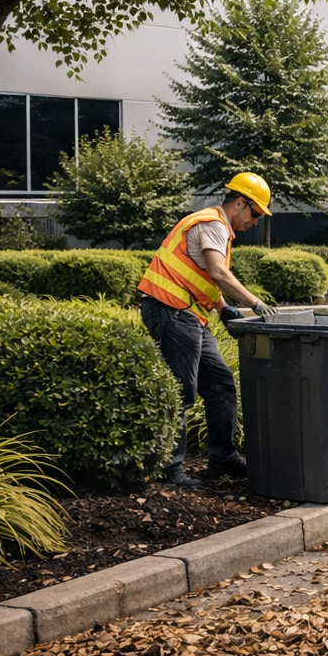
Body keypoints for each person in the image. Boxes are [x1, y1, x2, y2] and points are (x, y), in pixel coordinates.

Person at [138, 173, 279, 487]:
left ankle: (223, 459)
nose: (256, 221)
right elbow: (217, 272)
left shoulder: (218, 229)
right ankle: (170, 470)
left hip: (189, 313)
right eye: (255, 213)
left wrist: (222, 309)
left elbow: (199, 277)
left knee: (220, 385)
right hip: (172, 310)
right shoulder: (212, 224)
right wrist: (254, 303)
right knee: (182, 390)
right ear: (239, 203)